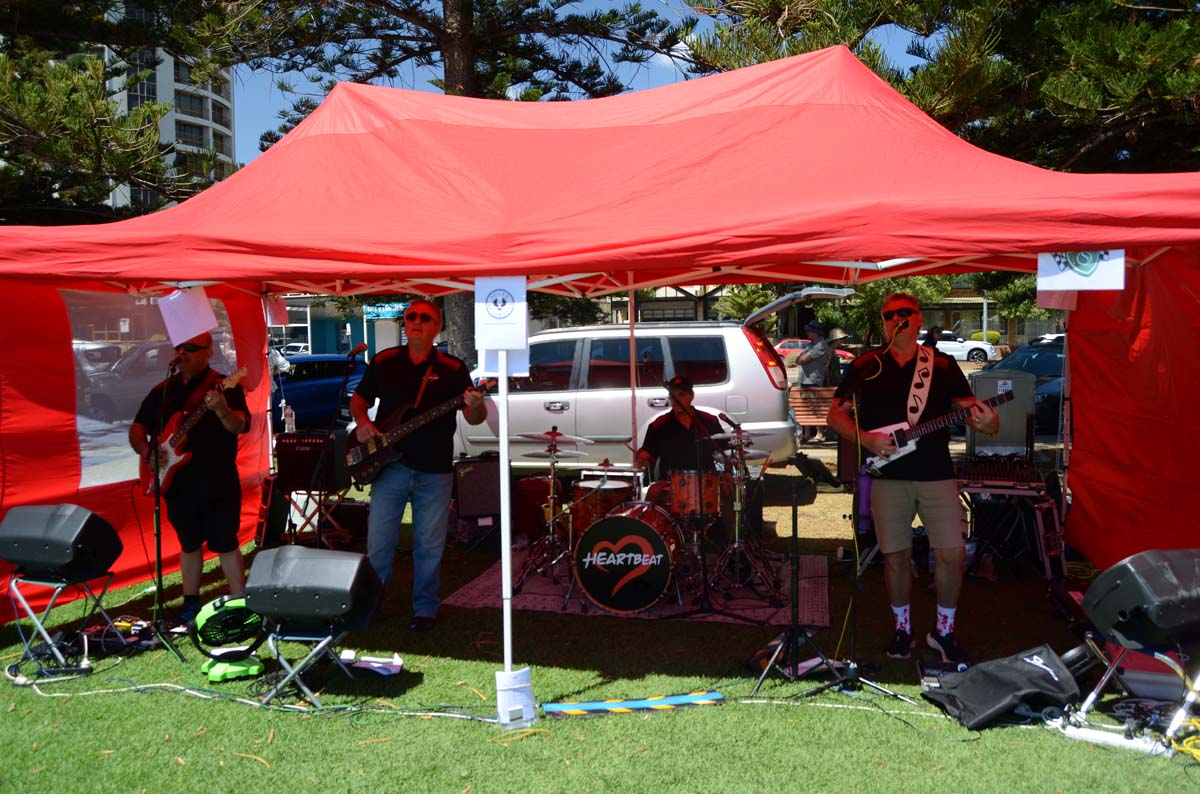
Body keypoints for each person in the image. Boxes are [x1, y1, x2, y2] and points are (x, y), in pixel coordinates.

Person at [825, 293, 999, 666]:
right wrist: (866, 439)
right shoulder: (866, 365)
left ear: (919, 319)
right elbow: (835, 415)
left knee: (951, 554)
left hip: (936, 473)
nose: (897, 319)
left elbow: (975, 415)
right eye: (889, 315)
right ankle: (903, 628)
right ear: (883, 323)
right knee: (896, 556)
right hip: (888, 476)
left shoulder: (942, 364)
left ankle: (944, 632)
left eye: (905, 313)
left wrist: (989, 422)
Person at [349, 298, 486, 632]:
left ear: (437, 327)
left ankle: (425, 609)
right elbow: (359, 400)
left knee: (429, 544)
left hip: (435, 469)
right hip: (389, 467)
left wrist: (476, 405)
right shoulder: (384, 361)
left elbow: (475, 417)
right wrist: (363, 422)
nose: (417, 321)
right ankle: (372, 604)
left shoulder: (453, 368)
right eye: (411, 316)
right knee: (379, 542)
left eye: (425, 318)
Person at [128, 331, 250, 624]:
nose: (183, 353)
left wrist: (222, 411)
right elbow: (137, 428)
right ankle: (190, 602)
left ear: (209, 351)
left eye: (191, 348)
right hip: (178, 483)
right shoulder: (163, 390)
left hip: (217, 479)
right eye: (180, 348)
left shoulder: (225, 385)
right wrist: (147, 451)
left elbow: (240, 425)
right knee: (189, 543)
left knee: (226, 541)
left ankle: (240, 601)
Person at [635, 376, 727, 513]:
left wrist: (728, 472)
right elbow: (647, 455)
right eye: (673, 396)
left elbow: (726, 452)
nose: (677, 400)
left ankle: (733, 527)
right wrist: (642, 458)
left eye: (681, 395)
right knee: (653, 491)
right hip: (670, 482)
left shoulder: (709, 421)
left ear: (691, 396)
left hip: (706, 480)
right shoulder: (659, 425)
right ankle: (648, 524)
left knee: (728, 489)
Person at [796, 320, 831, 443]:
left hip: (814, 379)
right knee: (805, 407)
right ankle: (807, 434)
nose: (807, 333)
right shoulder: (810, 345)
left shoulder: (820, 344)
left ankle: (820, 433)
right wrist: (800, 359)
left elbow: (804, 359)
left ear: (814, 332)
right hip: (805, 379)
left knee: (816, 407)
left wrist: (800, 359)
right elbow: (798, 359)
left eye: (809, 331)